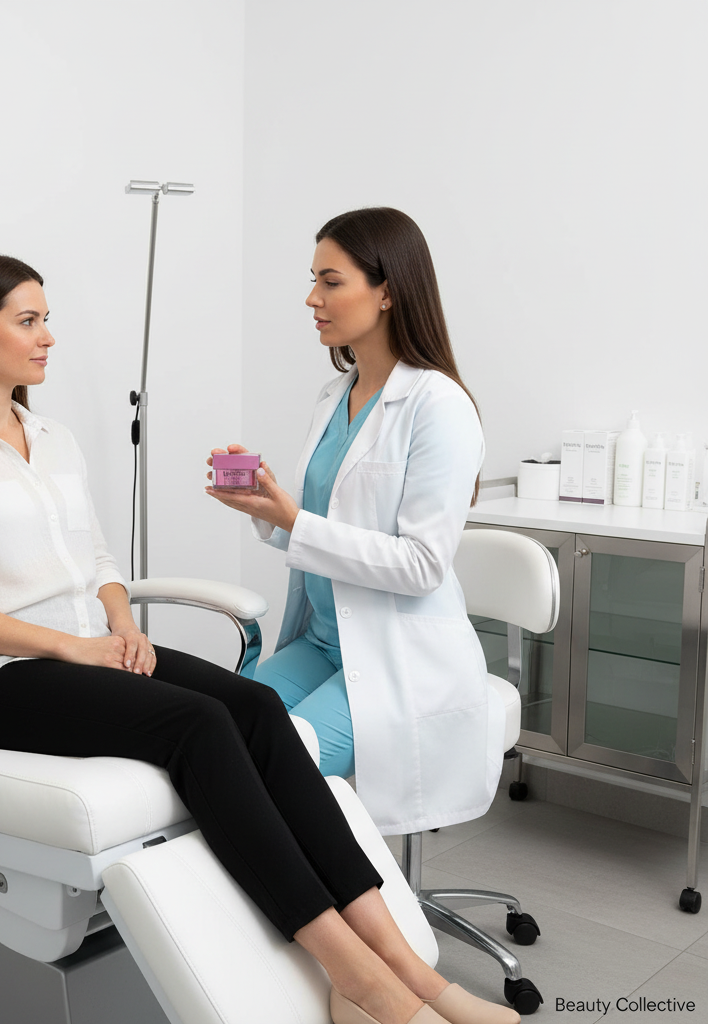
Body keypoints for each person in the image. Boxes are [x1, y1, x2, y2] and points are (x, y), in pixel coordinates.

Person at [0, 251, 517, 1024]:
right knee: (200, 725)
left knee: (253, 707)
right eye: (28, 321)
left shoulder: (52, 438)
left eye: (47, 319)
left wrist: (118, 622)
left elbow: (100, 561)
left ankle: (416, 972)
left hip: (95, 651)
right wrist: (71, 647)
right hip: (5, 679)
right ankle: (357, 977)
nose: (48, 337)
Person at [206, 207, 505, 838]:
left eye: (331, 281)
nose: (312, 298)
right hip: (321, 642)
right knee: (215, 725)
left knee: (277, 766)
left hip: (395, 654)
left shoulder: (438, 406)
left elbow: (422, 566)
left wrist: (297, 521)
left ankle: (318, 914)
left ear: (389, 290)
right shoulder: (332, 396)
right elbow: (323, 524)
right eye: (313, 279)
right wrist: (270, 510)